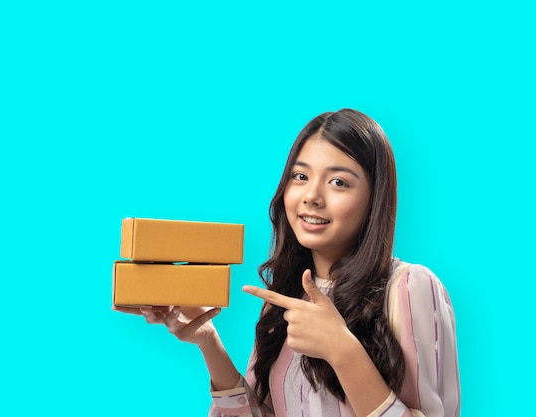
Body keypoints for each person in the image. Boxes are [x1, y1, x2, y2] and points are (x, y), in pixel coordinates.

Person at [114, 109, 460, 416]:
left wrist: (344, 351)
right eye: (300, 176)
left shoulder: (409, 287)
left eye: (338, 182)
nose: (312, 195)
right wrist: (209, 342)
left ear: (374, 198)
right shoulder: (285, 300)